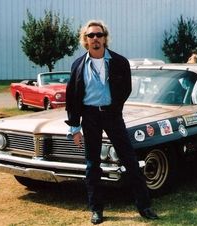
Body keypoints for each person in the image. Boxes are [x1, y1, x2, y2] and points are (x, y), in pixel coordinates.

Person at [65, 20, 158, 225]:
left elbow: (126, 89)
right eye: (91, 36)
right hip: (89, 117)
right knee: (92, 164)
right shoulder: (78, 65)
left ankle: (144, 206)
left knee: (130, 161)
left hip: (112, 115)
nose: (95, 38)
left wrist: (114, 108)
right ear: (85, 40)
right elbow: (71, 97)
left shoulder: (119, 62)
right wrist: (75, 127)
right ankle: (96, 209)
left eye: (99, 35)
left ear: (105, 37)